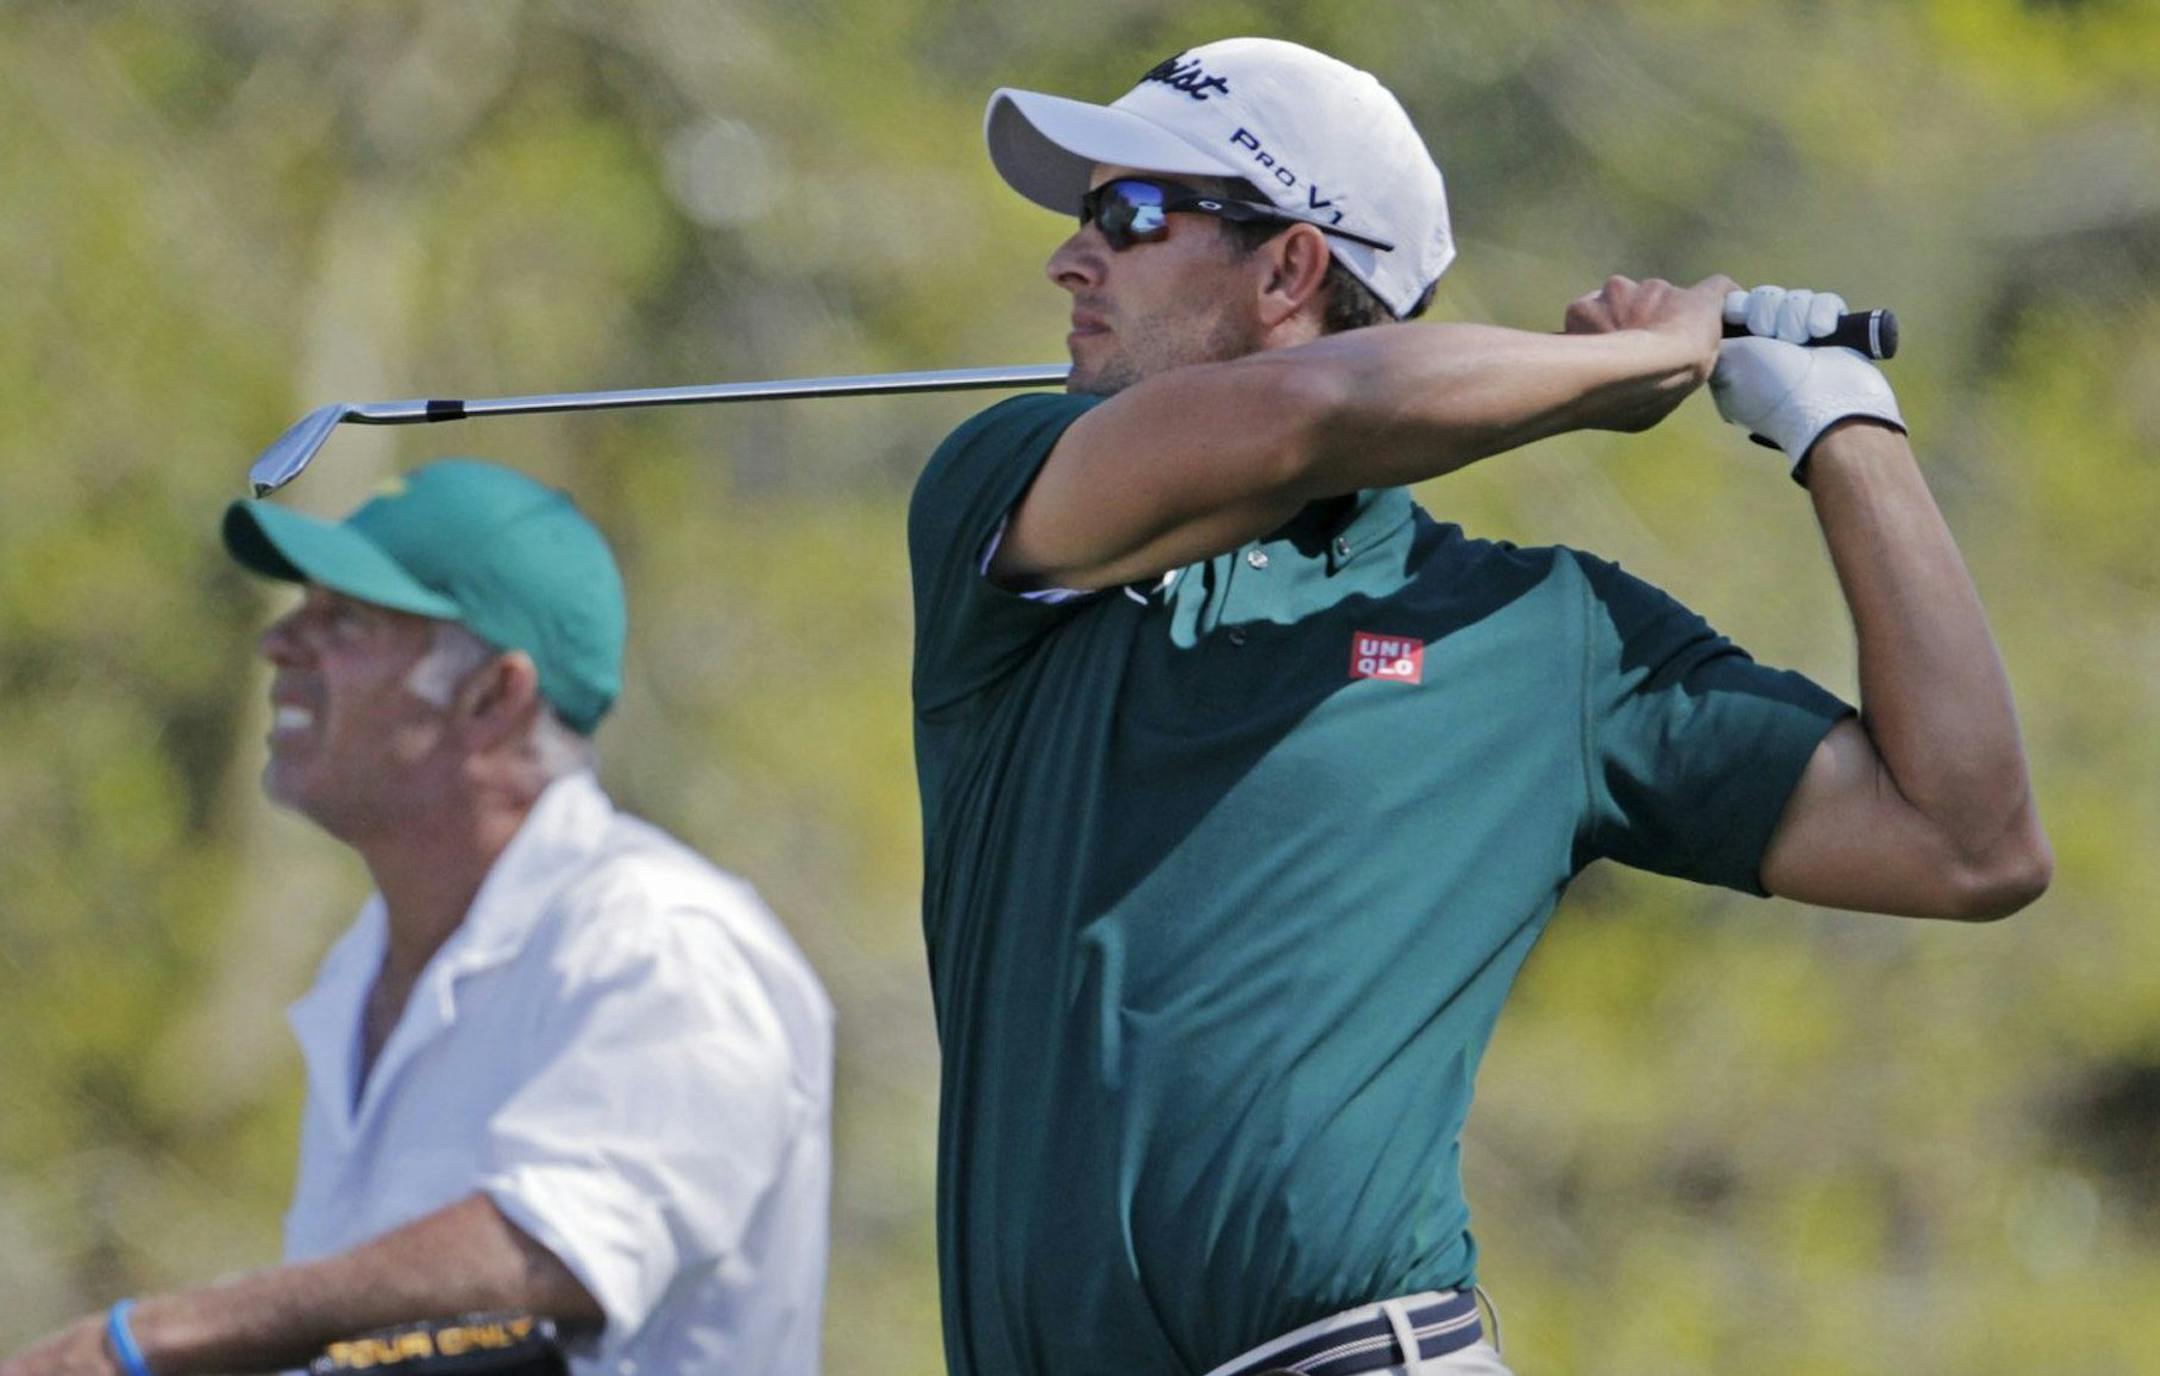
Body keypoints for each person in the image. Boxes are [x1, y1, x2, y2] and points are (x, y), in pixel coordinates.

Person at [908, 37, 2049, 1376]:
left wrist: (1845, 431)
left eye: (1133, 213)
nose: (1071, 257)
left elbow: (1970, 843)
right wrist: (1620, 375)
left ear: (1290, 270)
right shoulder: (1013, 507)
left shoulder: (1539, 634)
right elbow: (1315, 412)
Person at [2, 460, 833, 1376]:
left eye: (346, 621)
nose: (281, 647)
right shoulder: (364, 961)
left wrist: (152, 1340)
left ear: (494, 699)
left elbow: (555, 1248)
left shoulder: (663, 940)